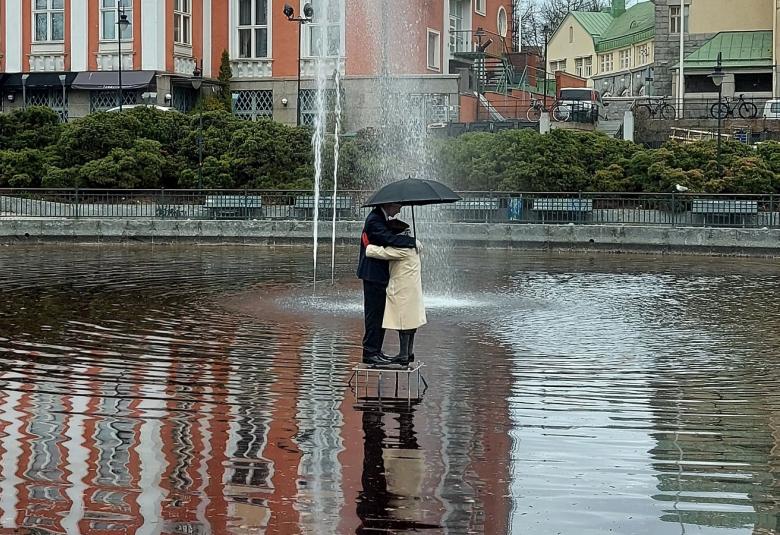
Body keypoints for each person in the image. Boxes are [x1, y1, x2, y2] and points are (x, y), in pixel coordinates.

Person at [357, 203, 416, 366]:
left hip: (378, 275)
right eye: (398, 206)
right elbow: (387, 239)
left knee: (380, 314)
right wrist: (411, 241)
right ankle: (370, 352)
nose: (399, 210)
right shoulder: (374, 220)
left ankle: (376, 350)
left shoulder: (379, 218)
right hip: (373, 275)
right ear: (389, 204)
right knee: (374, 315)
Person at [365, 221, 425, 367]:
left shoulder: (403, 249)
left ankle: (403, 355)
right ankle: (408, 352)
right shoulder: (414, 246)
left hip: (401, 289)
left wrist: (367, 245)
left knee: (402, 322)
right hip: (412, 289)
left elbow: (380, 252)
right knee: (411, 322)